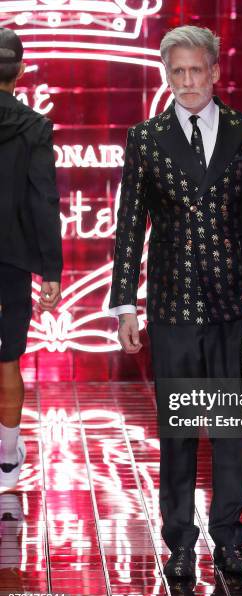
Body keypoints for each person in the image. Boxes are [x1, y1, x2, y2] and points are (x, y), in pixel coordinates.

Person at [109, 25, 242, 579]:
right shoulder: (146, 139)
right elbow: (128, 229)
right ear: (167, 76)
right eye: (177, 72)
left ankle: (229, 539)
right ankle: (180, 543)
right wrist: (125, 306)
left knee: (233, 430)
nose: (187, 82)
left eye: (196, 70)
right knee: (179, 431)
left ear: (216, 71)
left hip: (236, 303)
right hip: (173, 308)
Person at [0, 28, 62, 490]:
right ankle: (5, 461)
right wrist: (52, 272)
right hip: (13, 263)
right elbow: (44, 201)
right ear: (20, 73)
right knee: (7, 362)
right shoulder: (35, 127)